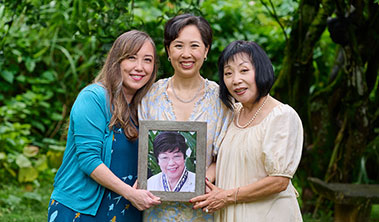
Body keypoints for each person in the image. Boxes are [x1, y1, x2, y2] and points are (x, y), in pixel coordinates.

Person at [47, 30, 161, 222]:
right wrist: (130, 193)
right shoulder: (93, 98)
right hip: (82, 210)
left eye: (147, 60)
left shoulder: (146, 107)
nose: (140, 67)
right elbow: (88, 159)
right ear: (117, 61)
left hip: (126, 210)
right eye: (131, 58)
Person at [190, 40, 303, 222]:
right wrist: (200, 182)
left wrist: (227, 196)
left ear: (261, 70)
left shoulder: (281, 116)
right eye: (228, 73)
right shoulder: (232, 113)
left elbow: (279, 181)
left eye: (244, 71)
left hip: (267, 215)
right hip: (229, 212)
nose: (236, 80)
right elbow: (226, 160)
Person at [138, 13, 232, 221]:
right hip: (156, 210)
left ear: (206, 50)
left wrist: (199, 181)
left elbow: (225, 155)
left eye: (195, 46)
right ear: (168, 51)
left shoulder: (221, 100)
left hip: (201, 208)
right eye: (178, 45)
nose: (186, 54)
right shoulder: (149, 96)